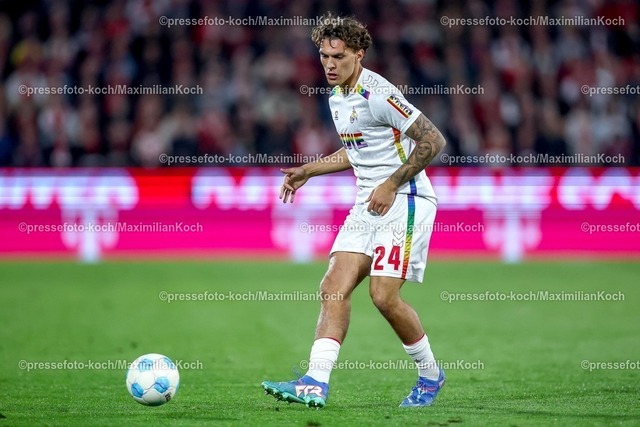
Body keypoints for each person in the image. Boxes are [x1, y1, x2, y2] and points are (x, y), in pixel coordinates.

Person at [262, 13, 447, 408]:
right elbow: (357, 150)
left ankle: (431, 375)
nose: (329, 65)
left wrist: (391, 184)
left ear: (359, 54)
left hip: (405, 200)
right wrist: (309, 170)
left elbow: (433, 140)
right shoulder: (337, 97)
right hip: (367, 204)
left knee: (383, 296)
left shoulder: (378, 94)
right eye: (324, 56)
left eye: (338, 57)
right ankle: (314, 382)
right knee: (333, 286)